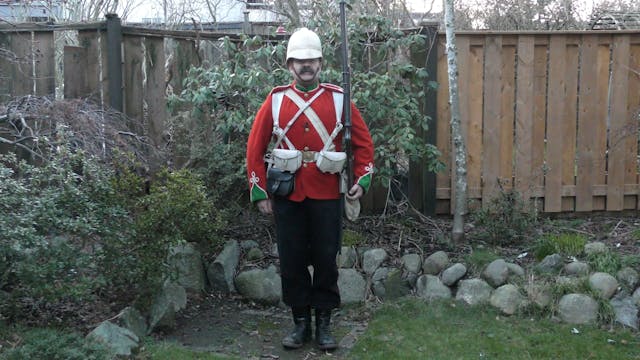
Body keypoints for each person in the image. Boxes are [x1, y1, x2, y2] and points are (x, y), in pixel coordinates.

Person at [246, 27, 374, 351]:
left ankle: (324, 324)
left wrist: (361, 180)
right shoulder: (275, 101)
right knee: (291, 261)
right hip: (288, 195)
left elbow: (364, 144)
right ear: (289, 65)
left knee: (326, 260)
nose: (306, 66)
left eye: (312, 60)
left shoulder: (339, 99)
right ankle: (300, 323)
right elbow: (254, 148)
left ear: (320, 63)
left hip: (326, 194)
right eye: (300, 61)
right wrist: (260, 191)